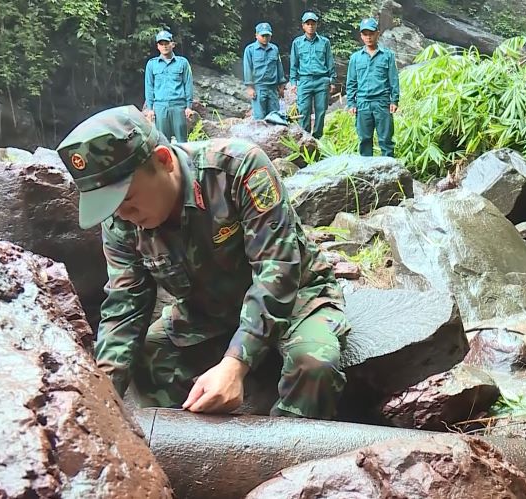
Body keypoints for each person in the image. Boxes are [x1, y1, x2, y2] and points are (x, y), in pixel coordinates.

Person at [55, 105, 348, 418]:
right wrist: (103, 400)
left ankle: (287, 458)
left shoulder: (237, 168)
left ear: (163, 160)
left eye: (126, 199)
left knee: (314, 363)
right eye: (111, 208)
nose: (122, 215)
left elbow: (277, 273)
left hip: (297, 299)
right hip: (209, 310)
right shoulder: (120, 220)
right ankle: (186, 443)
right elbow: (125, 304)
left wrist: (235, 363)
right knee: (147, 357)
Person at [346, 18, 399, 157]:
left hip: (382, 102)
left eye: (371, 33)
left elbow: (393, 79)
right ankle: (366, 173)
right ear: (361, 36)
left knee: (386, 140)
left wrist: (394, 100)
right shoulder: (355, 58)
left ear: (378, 33)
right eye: (365, 34)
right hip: (362, 103)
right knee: (364, 140)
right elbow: (351, 82)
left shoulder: (387, 56)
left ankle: (390, 173)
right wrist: (351, 103)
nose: (368, 37)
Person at [289, 11, 337, 139]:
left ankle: (317, 139)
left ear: (316, 25)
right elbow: (294, 64)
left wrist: (332, 80)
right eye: (307, 23)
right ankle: (304, 138)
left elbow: (329, 61)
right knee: (304, 111)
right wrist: (293, 83)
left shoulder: (324, 42)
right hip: (304, 81)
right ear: (303, 26)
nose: (310, 26)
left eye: (313, 23)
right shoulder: (297, 43)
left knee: (321, 111)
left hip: (322, 80)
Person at [144, 30, 195, 143]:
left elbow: (188, 84)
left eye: (166, 43)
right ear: (158, 46)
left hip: (178, 106)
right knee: (163, 142)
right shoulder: (152, 64)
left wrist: (189, 106)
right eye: (161, 44)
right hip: (160, 107)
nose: (164, 46)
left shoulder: (182, 63)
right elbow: (149, 87)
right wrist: (150, 109)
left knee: (182, 142)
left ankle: (185, 161)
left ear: (172, 44)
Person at [243, 22, 287, 120]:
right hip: (259, 88)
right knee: (259, 118)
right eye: (263, 35)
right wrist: (249, 87)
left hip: (273, 88)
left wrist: (281, 86)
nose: (265, 38)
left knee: (275, 117)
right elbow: (247, 68)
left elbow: (279, 66)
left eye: (267, 35)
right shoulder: (250, 50)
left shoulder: (274, 49)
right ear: (256, 35)